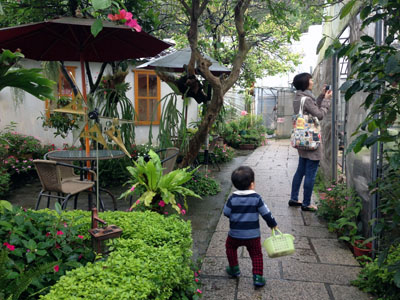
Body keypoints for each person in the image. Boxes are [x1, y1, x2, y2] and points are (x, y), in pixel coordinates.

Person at [223, 166, 278, 287]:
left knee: (230, 248)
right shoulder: (256, 198)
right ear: (252, 184)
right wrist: (273, 224)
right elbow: (266, 213)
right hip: (253, 236)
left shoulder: (232, 199)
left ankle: (234, 269)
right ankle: (258, 277)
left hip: (235, 234)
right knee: (256, 254)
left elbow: (226, 213)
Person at [288, 73, 332, 212]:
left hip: (302, 140)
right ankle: (306, 203)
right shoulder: (306, 99)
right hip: (311, 141)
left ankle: (294, 199)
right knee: (311, 174)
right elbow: (319, 114)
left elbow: (313, 108)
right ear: (305, 82)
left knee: (300, 170)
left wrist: (320, 96)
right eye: (310, 79)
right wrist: (326, 100)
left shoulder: (299, 98)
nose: (312, 81)